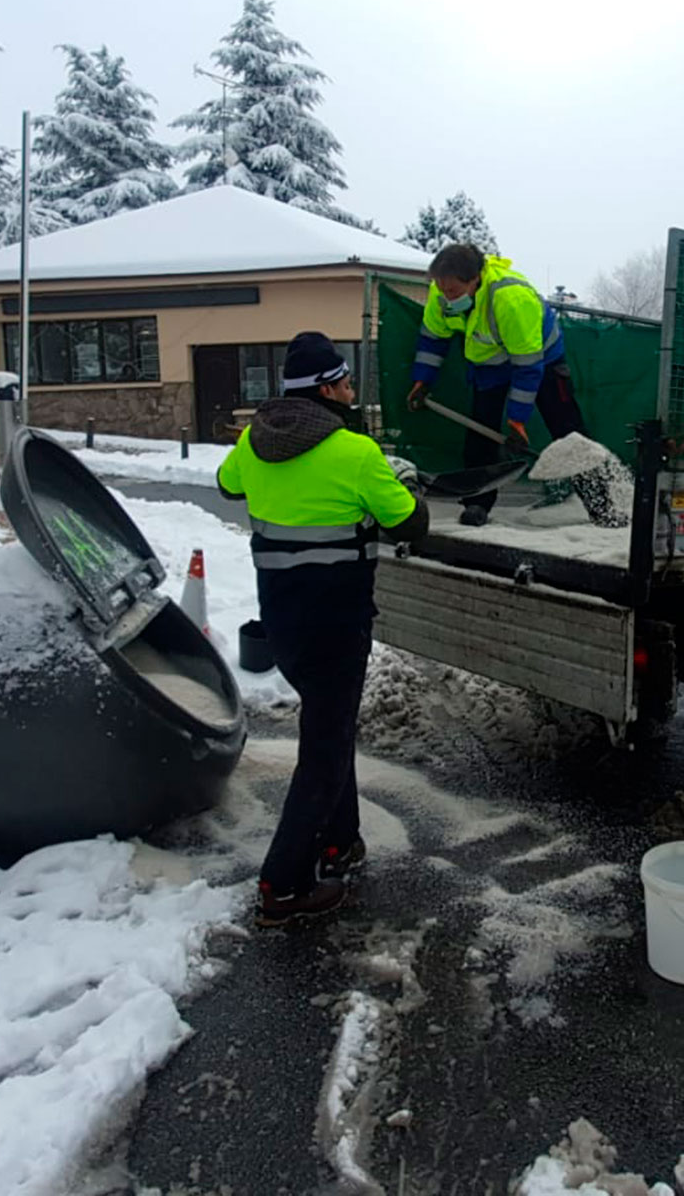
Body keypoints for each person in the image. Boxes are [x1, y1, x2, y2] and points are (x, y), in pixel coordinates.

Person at [217, 331, 428, 927]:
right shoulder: (355, 452)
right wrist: (403, 483)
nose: (353, 390)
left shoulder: (254, 442)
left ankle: (342, 840)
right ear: (330, 387)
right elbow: (412, 525)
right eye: (348, 381)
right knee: (325, 751)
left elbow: (228, 485)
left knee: (328, 729)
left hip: (283, 625)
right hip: (337, 627)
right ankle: (282, 886)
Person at [408, 242, 614, 526]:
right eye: (441, 290)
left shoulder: (511, 299)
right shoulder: (442, 292)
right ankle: (477, 504)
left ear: (475, 279)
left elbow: (528, 367)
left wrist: (517, 420)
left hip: (541, 359)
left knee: (569, 432)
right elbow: (433, 338)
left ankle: (603, 507)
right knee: (480, 431)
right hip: (490, 363)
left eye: (453, 291)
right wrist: (422, 380)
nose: (445, 297)